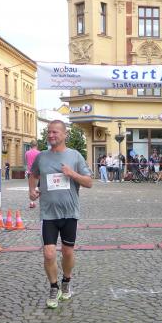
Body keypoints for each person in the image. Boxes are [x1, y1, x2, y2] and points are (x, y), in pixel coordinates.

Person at [28, 120, 93, 309]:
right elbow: (33, 174)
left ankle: (66, 281)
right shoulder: (41, 157)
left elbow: (89, 182)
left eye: (55, 132)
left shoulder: (75, 156)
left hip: (69, 213)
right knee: (49, 254)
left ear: (65, 134)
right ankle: (54, 287)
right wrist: (31, 191)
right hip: (48, 213)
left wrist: (72, 174)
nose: (51, 135)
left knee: (67, 252)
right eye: (48, 132)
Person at [25, 141, 41, 207]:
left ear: (30, 146)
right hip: (38, 172)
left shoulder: (27, 153)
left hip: (30, 172)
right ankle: (41, 202)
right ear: (37, 145)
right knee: (40, 187)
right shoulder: (39, 153)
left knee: (31, 188)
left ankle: (31, 203)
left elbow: (27, 161)